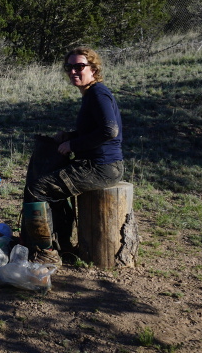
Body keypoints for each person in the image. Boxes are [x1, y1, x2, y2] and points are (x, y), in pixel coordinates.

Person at [21, 47, 124, 265]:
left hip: (102, 167)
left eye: (80, 66)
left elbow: (109, 130)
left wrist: (73, 144)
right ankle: (64, 246)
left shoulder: (98, 94)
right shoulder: (92, 94)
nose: (74, 72)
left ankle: (46, 251)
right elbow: (96, 129)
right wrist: (70, 135)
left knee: (36, 189)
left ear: (94, 69)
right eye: (70, 67)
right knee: (54, 192)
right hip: (97, 164)